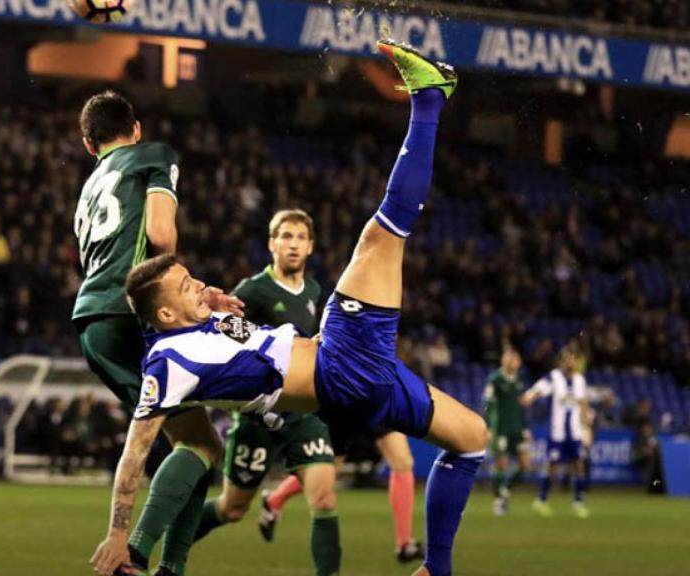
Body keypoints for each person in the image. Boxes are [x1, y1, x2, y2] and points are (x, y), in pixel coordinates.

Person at [92, 39, 488, 576]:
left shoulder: (190, 326)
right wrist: (118, 532)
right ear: (164, 315)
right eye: (187, 285)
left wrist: (208, 303)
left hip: (349, 383)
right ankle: (429, 98)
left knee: (472, 440)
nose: (199, 284)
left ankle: (437, 568)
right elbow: (136, 449)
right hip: (340, 367)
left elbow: (188, 318)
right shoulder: (168, 364)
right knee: (383, 231)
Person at [72, 91, 238, 576]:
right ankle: (135, 554)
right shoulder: (153, 155)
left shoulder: (89, 186)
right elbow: (161, 234)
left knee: (195, 447)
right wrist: (188, 294)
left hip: (92, 323)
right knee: (200, 447)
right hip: (131, 315)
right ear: (136, 129)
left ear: (88, 145)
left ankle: (170, 568)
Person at [193, 209, 343, 575]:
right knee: (232, 508)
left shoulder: (314, 291)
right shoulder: (253, 290)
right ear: (272, 243)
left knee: (324, 498)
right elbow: (222, 334)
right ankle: (170, 540)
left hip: (302, 413)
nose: (293, 244)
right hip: (258, 415)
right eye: (286, 236)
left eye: (300, 237)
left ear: (310, 246)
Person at [521, 345, 591, 518]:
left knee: (579, 465)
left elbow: (583, 404)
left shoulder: (580, 380)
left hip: (575, 432)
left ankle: (578, 502)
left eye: (573, 358)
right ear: (561, 361)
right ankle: (541, 500)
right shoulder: (554, 377)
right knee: (553, 465)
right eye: (567, 358)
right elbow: (540, 389)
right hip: (557, 432)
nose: (570, 361)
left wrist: (586, 428)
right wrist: (530, 396)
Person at [483, 348, 531, 515]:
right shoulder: (495, 379)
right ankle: (498, 501)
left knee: (524, 464)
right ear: (504, 360)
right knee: (501, 464)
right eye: (510, 358)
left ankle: (504, 490)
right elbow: (488, 403)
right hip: (501, 428)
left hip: (517, 428)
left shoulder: (520, 380)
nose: (514, 361)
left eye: (516, 358)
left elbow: (521, 407)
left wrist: (525, 428)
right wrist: (490, 426)